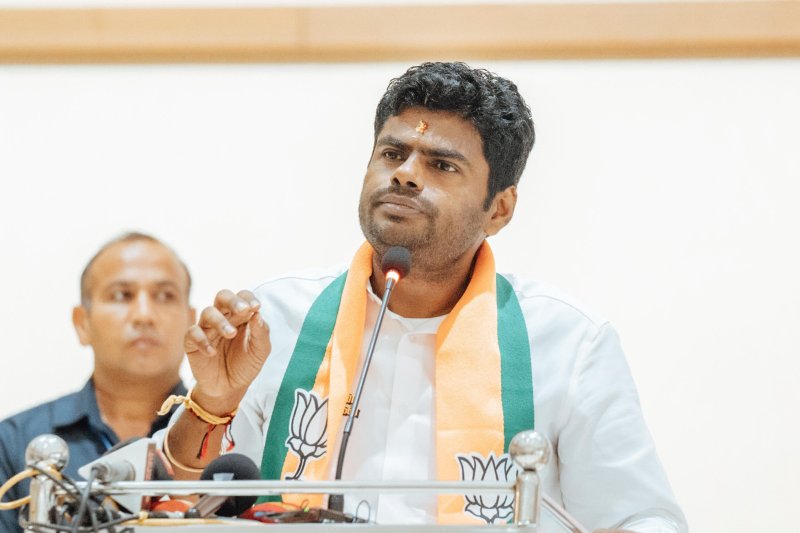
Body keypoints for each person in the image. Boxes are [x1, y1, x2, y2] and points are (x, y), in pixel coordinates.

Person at [164, 62, 687, 532]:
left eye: (442, 165)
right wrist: (213, 402)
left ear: (500, 209)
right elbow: (183, 506)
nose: (405, 174)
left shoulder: (569, 344)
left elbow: (645, 519)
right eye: (393, 153)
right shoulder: (275, 319)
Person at [0, 232, 195, 532]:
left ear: (191, 321)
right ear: (82, 323)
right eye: (122, 295)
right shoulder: (15, 441)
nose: (144, 315)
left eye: (165, 296)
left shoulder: (234, 434)